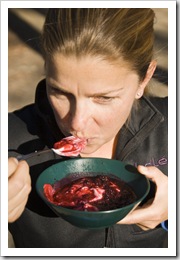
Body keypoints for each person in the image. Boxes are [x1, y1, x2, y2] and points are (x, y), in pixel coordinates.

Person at [8, 8, 168, 248]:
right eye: (60, 92)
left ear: (145, 78)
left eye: (103, 98)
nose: (76, 124)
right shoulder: (9, 139)